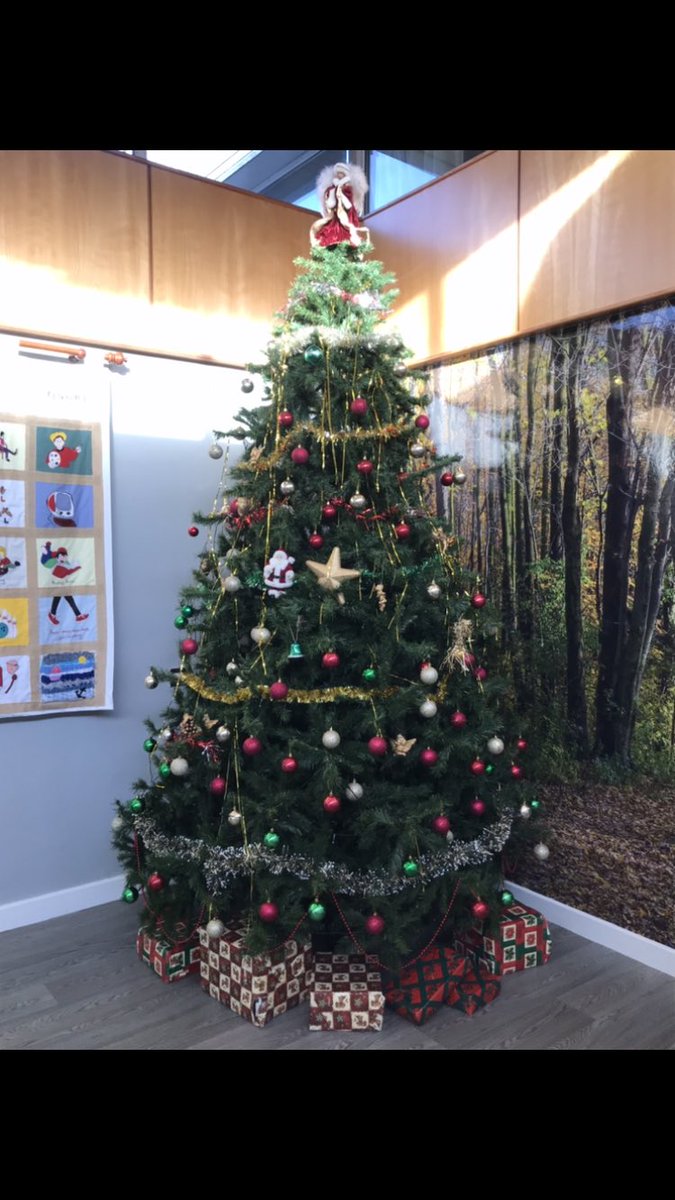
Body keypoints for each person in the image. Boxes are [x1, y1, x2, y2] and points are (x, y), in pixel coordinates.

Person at [310, 163, 369, 250]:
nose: (339, 175)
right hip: (335, 216)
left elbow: (348, 205)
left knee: (345, 227)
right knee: (331, 228)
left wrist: (341, 196)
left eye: (341, 173)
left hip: (345, 215)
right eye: (338, 173)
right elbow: (330, 203)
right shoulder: (332, 189)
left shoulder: (347, 190)